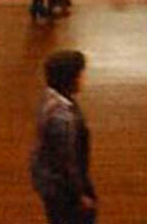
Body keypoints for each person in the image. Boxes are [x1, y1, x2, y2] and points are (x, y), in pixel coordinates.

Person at [30, 50, 97, 224]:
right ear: (71, 79)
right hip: (62, 188)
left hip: (48, 178)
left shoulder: (49, 98)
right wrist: (80, 195)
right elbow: (67, 161)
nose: (83, 79)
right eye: (80, 74)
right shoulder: (63, 118)